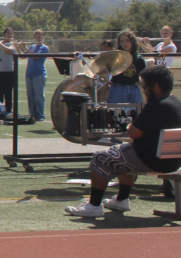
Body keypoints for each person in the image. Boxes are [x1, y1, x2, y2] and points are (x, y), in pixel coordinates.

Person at [66, 65, 181, 217]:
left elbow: (134, 132)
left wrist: (128, 126)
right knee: (122, 152)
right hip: (174, 162)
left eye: (145, 87)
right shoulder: (176, 102)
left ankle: (94, 206)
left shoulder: (156, 106)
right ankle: (121, 200)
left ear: (156, 87)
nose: (144, 91)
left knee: (99, 157)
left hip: (151, 160)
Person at [108, 30, 147, 105]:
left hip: (134, 88)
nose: (124, 43)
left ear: (132, 41)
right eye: (122, 41)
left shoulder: (139, 59)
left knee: (136, 113)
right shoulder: (115, 58)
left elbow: (144, 77)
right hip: (117, 88)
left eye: (127, 40)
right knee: (115, 113)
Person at [21, 29, 50, 121]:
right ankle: (32, 114)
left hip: (39, 73)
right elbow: (22, 56)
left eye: (40, 36)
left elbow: (36, 56)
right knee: (30, 95)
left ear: (43, 37)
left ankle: (40, 115)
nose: (39, 38)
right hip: (29, 73)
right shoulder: (32, 46)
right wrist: (18, 47)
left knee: (38, 96)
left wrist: (25, 48)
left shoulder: (44, 48)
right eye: (37, 36)